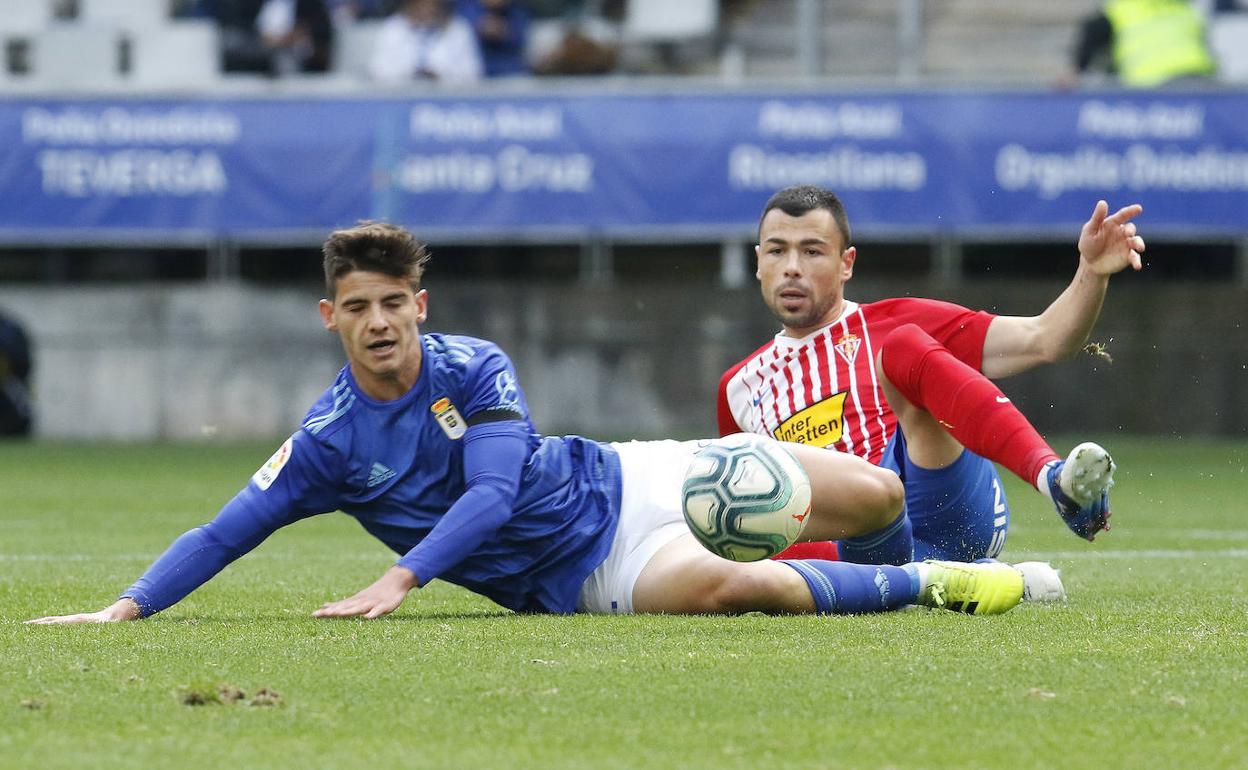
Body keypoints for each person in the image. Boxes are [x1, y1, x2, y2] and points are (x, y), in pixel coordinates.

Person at [26, 222, 1025, 626]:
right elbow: (225, 528)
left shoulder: (476, 365)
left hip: (634, 476)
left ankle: (932, 550)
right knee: (738, 585)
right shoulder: (328, 442)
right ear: (331, 317)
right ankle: (931, 586)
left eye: (396, 302)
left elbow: (495, 487)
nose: (381, 322)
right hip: (584, 572)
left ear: (421, 302)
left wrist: (400, 573)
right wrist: (126, 607)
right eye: (359, 307)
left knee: (875, 487)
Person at [718, 186, 1145, 596]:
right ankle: (963, 582)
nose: (792, 266)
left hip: (943, 509)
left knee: (904, 346)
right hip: (861, 547)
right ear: (758, 261)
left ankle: (1050, 479)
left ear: (846, 263)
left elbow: (1046, 339)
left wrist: (1091, 271)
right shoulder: (737, 388)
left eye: (812, 251)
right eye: (777, 250)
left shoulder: (897, 320)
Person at [1067, 0, 1216, 88]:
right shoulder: (1184, 9)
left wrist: (1076, 71)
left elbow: (1092, 33)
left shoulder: (1124, 8)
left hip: (1152, 85)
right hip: (1200, 79)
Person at [369, 0, 484, 84]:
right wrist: (412, 75)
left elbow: (472, 73)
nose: (427, 8)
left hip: (447, 105)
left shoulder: (458, 29)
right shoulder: (393, 28)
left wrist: (440, 77)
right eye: (420, 4)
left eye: (432, 4)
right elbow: (379, 72)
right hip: (400, 100)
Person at [456, 0, 530, 77]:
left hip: (512, 75)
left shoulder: (517, 12)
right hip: (476, 77)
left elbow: (520, 41)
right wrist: (480, 27)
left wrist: (504, 32)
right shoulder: (466, 10)